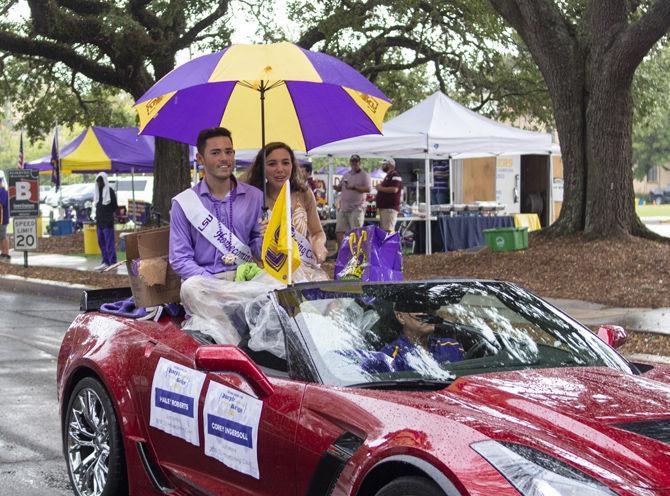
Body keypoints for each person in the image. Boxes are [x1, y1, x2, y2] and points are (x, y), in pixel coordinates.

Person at [169, 127, 263, 281]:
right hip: (204, 281)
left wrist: (268, 240)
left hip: (245, 277)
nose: (224, 158)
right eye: (215, 153)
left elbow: (259, 251)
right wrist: (213, 284)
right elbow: (180, 259)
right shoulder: (183, 203)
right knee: (191, 289)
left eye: (229, 152)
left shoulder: (255, 197)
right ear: (200, 159)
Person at [243, 141, 328, 265]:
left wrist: (318, 243)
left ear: (292, 165)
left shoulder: (304, 193)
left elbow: (317, 232)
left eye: (285, 163)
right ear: (262, 167)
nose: (280, 169)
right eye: (272, 164)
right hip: (265, 272)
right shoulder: (252, 197)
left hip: (301, 269)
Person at [380, 301, 463, 371]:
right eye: (419, 308)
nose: (428, 313)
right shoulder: (390, 356)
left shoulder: (453, 347)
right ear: (401, 317)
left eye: (431, 307)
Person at [333, 154, 371, 245]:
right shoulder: (346, 174)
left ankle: (356, 254)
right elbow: (340, 187)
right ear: (350, 162)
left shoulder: (364, 175)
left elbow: (368, 189)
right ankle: (341, 252)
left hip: (356, 208)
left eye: (356, 162)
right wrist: (336, 188)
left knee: (356, 233)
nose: (354, 163)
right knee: (339, 231)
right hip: (344, 208)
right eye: (352, 161)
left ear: (359, 163)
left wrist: (354, 187)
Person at [93, 172, 118, 271]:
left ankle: (112, 262)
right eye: (98, 182)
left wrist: (108, 214)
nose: (99, 184)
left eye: (100, 182)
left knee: (109, 243)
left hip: (107, 222)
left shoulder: (110, 191)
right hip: (99, 222)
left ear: (104, 181)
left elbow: (114, 206)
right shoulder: (97, 192)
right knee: (101, 241)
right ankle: (105, 261)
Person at [375, 158, 402, 233]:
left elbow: (394, 189)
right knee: (385, 230)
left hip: (389, 208)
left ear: (390, 165)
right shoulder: (389, 175)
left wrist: (380, 188)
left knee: (387, 231)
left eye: (384, 164)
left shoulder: (395, 175)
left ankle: (388, 245)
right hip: (385, 208)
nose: (382, 166)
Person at [0, 171, 9, 263]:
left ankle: (6, 253)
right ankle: (2, 252)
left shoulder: (3, 192)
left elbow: (1, 204)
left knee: (3, 236)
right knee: (0, 236)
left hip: (2, 218)